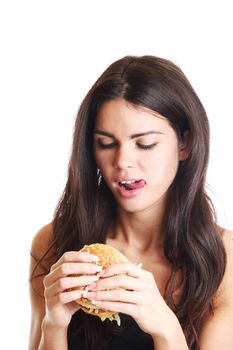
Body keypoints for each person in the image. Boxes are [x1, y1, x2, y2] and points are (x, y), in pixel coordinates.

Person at [29, 55, 233, 350]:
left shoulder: (223, 257)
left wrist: (165, 328)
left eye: (145, 144)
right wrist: (55, 323)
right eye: (106, 143)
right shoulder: (54, 242)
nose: (123, 162)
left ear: (184, 144)